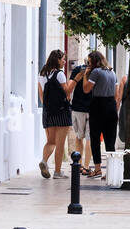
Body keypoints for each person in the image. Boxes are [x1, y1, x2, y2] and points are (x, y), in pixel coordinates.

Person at [82, 51, 118, 178]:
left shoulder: (96, 72)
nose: (88, 64)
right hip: (111, 106)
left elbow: (86, 89)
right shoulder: (112, 72)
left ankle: (97, 169)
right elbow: (117, 94)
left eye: (90, 61)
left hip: (98, 105)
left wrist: (85, 75)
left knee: (95, 138)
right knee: (110, 140)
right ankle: (111, 171)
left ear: (95, 62)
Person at [37, 49, 72, 178]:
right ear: (57, 60)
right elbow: (67, 92)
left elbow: (41, 95)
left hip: (48, 112)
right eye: (63, 59)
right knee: (60, 143)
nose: (64, 61)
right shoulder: (60, 74)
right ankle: (57, 172)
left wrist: (48, 107)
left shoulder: (42, 73)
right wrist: (75, 80)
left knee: (51, 141)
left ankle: (44, 161)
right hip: (61, 112)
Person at [69, 56, 94, 174]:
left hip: (78, 108)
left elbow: (70, 86)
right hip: (92, 109)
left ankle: (78, 165)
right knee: (89, 139)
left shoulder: (77, 70)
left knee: (79, 137)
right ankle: (87, 166)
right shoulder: (96, 73)